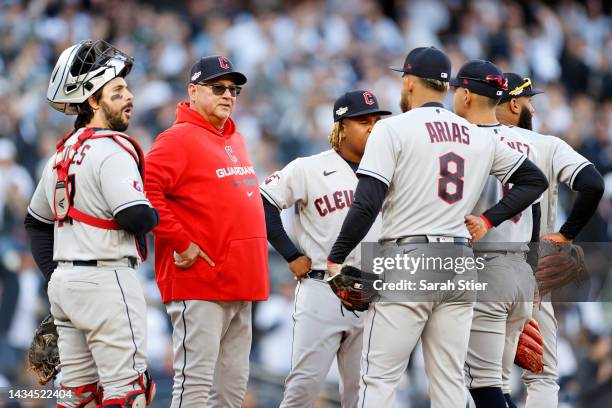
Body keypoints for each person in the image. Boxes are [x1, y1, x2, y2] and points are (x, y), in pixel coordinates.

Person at [326, 46, 549, 408]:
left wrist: (336, 259)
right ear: (446, 88)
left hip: (410, 258)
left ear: (409, 82)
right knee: (448, 383)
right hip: (460, 262)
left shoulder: (392, 129)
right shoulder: (478, 135)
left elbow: (366, 204)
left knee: (379, 377)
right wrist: (490, 218)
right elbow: (532, 180)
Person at [24, 40, 158, 407]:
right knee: (129, 392)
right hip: (108, 281)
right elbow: (135, 216)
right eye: (117, 91)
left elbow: (35, 223)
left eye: (127, 88)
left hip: (67, 286)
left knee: (77, 394)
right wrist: (157, 206)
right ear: (93, 101)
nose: (129, 96)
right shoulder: (112, 148)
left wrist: (57, 276)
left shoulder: (61, 152)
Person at [145, 55, 269, 408]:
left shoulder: (234, 138)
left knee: (230, 394)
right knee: (195, 390)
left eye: (234, 90)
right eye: (218, 88)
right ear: (193, 91)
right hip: (200, 283)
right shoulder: (177, 138)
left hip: (241, 283)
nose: (228, 95)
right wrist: (182, 242)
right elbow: (146, 193)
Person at [260, 90, 390, 407]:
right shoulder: (310, 167)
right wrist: (290, 254)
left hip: (374, 290)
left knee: (363, 392)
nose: (373, 127)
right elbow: (262, 203)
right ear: (342, 126)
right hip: (323, 287)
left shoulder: (390, 171)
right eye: (363, 121)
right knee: (304, 387)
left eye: (376, 120)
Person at [496, 73, 605, 408]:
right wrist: (566, 234)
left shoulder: (475, 143)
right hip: (533, 272)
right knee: (542, 377)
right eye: (529, 101)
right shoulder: (547, 145)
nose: (533, 108)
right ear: (514, 104)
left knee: (488, 379)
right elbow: (593, 184)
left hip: (484, 270)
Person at [450, 60, 538, 407]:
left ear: (467, 94)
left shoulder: (466, 141)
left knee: (480, 387)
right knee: (498, 387)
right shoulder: (525, 142)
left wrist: (486, 220)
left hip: (487, 266)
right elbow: (537, 202)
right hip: (521, 269)